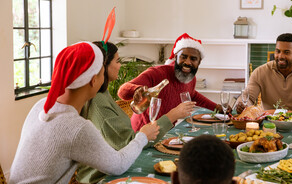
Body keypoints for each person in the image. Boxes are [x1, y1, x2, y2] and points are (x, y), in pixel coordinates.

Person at [9, 42, 159, 184]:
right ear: (94, 81)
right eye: (102, 74)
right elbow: (118, 165)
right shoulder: (76, 128)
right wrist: (143, 136)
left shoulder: (41, 105)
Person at [76, 41, 195, 183]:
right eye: (117, 61)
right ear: (103, 66)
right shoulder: (98, 101)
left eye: (193, 59)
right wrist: (172, 116)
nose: (120, 65)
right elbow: (129, 143)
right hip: (102, 177)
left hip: (119, 166)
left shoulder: (102, 93)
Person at [118, 33, 225, 131]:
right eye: (183, 57)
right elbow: (122, 91)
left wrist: (217, 107)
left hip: (166, 131)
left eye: (193, 59)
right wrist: (137, 90)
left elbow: (192, 94)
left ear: (199, 62)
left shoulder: (191, 78)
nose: (187, 62)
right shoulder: (156, 73)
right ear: (175, 57)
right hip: (143, 133)